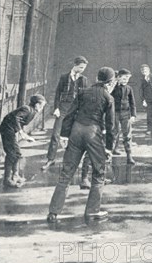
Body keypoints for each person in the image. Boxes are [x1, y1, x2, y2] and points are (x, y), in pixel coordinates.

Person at [47, 67, 116, 222]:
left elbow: (70, 114)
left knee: (66, 173)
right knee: (99, 173)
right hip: (93, 133)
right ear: (110, 82)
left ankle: (53, 212)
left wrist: (64, 136)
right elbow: (110, 125)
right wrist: (109, 147)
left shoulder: (83, 92)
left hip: (76, 131)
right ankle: (92, 211)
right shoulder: (108, 97)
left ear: (97, 78)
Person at [42, 56, 88, 171]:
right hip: (63, 108)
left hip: (76, 109)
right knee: (55, 135)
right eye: (81, 67)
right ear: (75, 65)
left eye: (84, 68)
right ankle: (50, 159)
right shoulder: (64, 77)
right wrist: (56, 108)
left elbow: (85, 97)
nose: (82, 69)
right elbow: (58, 93)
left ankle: (74, 161)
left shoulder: (84, 79)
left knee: (75, 135)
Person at [0, 95, 46, 188]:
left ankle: (15, 175)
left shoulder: (32, 111)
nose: (42, 108)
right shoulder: (27, 109)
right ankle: (7, 179)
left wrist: (24, 134)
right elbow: (17, 118)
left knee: (16, 153)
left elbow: (20, 121)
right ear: (36, 105)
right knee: (12, 153)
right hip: (7, 129)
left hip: (10, 129)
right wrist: (21, 133)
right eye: (42, 106)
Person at [111, 69, 137, 164]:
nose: (126, 80)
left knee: (127, 135)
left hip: (126, 114)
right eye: (124, 78)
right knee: (114, 133)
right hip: (114, 113)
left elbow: (132, 103)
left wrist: (133, 115)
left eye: (128, 78)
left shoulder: (129, 88)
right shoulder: (112, 88)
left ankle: (129, 156)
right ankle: (110, 154)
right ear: (118, 78)